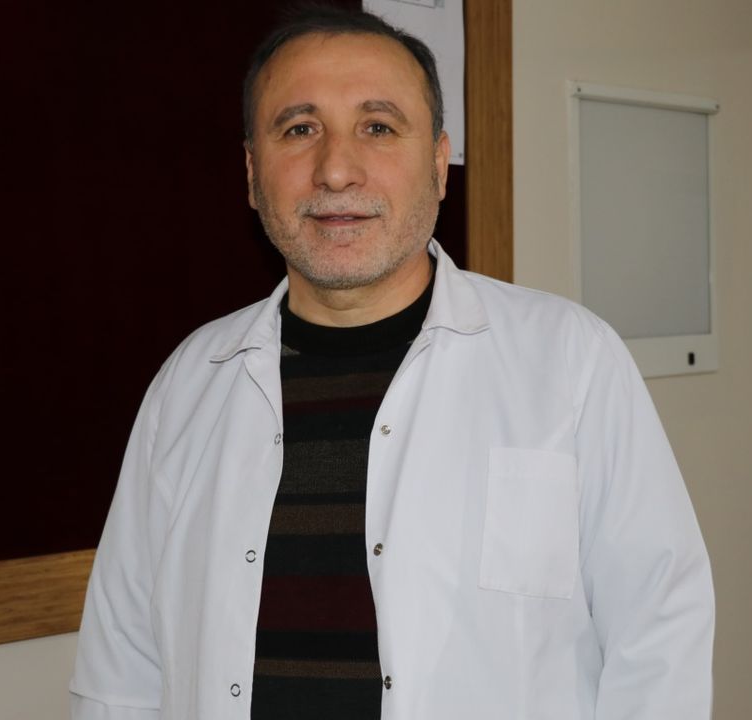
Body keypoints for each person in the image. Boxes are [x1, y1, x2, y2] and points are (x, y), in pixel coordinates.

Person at [70, 7, 714, 720]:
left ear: (438, 164)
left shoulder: (571, 363)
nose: (336, 170)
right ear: (252, 174)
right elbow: (121, 670)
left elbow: (658, 641)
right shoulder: (190, 384)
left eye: (377, 127)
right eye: (299, 129)